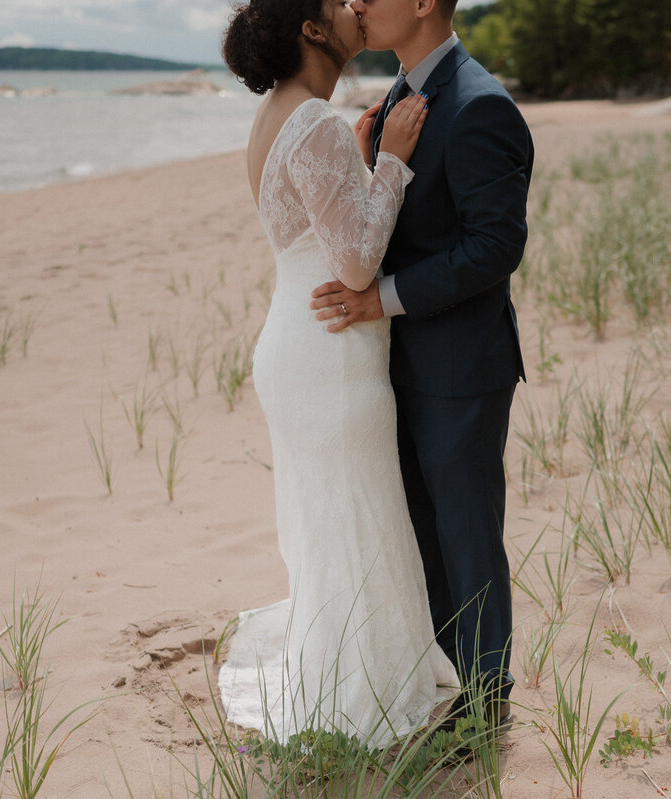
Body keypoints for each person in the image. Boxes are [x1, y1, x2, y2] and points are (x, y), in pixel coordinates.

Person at [217, 0, 458, 747]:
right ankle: (364, 693)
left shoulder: (279, 117)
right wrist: (391, 161)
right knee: (356, 519)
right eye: (339, 2)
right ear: (312, 31)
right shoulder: (317, 120)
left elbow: (319, 231)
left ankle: (352, 669)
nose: (358, 4)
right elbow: (353, 261)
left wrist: (356, 164)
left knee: (334, 523)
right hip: (330, 353)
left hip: (297, 343)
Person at [309, 0, 534, 728]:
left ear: (425, 3)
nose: (358, 5)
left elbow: (494, 247)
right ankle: (443, 691)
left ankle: (486, 710)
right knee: (418, 538)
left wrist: (385, 299)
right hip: (396, 365)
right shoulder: (399, 99)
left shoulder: (480, 107)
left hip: (462, 369)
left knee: (466, 539)